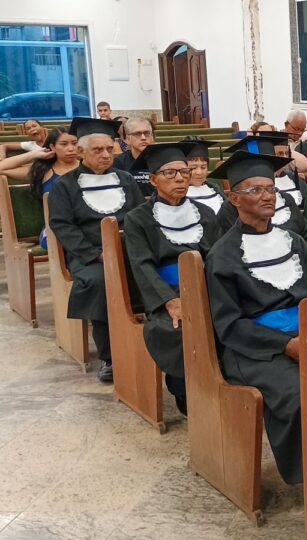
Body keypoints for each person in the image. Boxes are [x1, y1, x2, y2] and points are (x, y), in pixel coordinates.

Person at [206, 150, 307, 485]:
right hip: (254, 350)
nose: (267, 196)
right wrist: (286, 345)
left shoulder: (294, 241)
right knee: (300, 394)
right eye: (254, 190)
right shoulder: (223, 257)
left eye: (270, 189)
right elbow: (229, 325)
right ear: (234, 198)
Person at [124, 143, 221, 416]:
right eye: (170, 173)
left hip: (206, 285)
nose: (180, 179)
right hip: (167, 291)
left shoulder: (205, 213)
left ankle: (225, 382)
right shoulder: (138, 219)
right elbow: (142, 265)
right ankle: (183, 389)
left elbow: (217, 257)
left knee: (231, 317)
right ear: (153, 180)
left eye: (184, 172)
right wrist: (169, 300)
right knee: (176, 329)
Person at [47, 117, 145, 382]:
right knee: (102, 283)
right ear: (80, 152)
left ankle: (149, 341)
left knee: (153, 273)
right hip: (90, 255)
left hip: (129, 249)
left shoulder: (125, 179)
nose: (106, 155)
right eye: (97, 150)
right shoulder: (65, 186)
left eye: (109, 149)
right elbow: (63, 226)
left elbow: (139, 216)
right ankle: (110, 356)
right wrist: (96, 254)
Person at [0, 127, 79, 250]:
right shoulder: (44, 172)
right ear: (52, 147)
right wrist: (34, 154)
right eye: (63, 144)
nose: (71, 148)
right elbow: (1, 167)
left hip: (88, 222)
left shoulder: (88, 167)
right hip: (56, 228)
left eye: (74, 143)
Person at [217, 134, 307, 238]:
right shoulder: (228, 210)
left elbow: (305, 233)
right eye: (255, 190)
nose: (267, 197)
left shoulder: (286, 199)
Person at [180, 137, 227, 215]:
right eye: (193, 168)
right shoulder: (177, 194)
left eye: (203, 167)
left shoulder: (215, 190)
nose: (199, 172)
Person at [112, 116, 156, 196]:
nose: (143, 138)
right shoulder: (118, 163)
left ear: (152, 137)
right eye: (137, 134)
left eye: (147, 133)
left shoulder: (163, 160)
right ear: (128, 139)